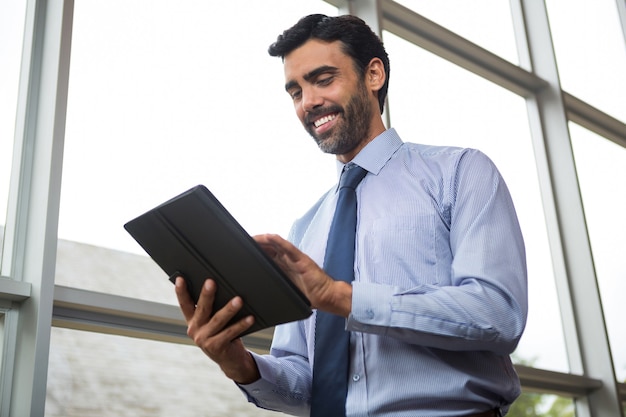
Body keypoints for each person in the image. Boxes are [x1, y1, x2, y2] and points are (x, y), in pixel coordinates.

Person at [175, 14, 527, 417]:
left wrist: (339, 297)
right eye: (295, 91)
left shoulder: (461, 173)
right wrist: (238, 364)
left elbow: (498, 315)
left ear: (373, 74)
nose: (308, 102)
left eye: (323, 79)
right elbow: (304, 384)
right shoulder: (305, 230)